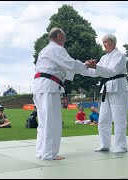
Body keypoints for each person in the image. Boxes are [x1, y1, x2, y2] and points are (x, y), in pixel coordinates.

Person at [32, 27, 89, 160]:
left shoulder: (45, 50)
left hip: (40, 86)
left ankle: (41, 152)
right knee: (53, 121)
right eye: (64, 37)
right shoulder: (56, 49)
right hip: (49, 87)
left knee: (43, 122)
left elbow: (64, 69)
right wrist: (85, 65)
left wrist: (82, 68)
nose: (65, 40)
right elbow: (70, 64)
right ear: (59, 36)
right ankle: (49, 154)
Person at [82, 34, 128, 153]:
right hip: (106, 89)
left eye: (106, 42)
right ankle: (104, 144)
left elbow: (112, 72)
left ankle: (121, 146)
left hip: (118, 88)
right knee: (103, 119)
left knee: (119, 118)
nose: (104, 44)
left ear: (113, 43)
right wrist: (86, 67)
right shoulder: (104, 58)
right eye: (103, 42)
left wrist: (96, 67)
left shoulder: (120, 56)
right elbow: (95, 72)